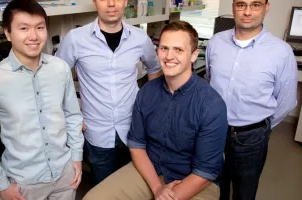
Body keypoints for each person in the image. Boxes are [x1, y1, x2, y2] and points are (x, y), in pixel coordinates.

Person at [82, 21, 228, 200]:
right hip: (151, 169)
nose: (169, 56)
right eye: (164, 48)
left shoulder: (211, 105)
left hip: (195, 180)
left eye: (178, 50)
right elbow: (137, 146)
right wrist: (158, 187)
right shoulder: (147, 92)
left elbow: (205, 172)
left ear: (193, 55)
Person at [0, 0, 84, 199]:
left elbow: (72, 115)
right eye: (23, 28)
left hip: (65, 176)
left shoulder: (60, 68)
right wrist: (1, 184)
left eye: (40, 27)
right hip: (24, 184)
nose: (33, 36)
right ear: (8, 33)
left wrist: (77, 158)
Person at [56, 0, 161, 186]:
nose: (111, 4)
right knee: (104, 189)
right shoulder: (76, 39)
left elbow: (154, 68)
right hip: (97, 132)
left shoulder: (139, 38)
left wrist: (151, 107)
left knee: (134, 188)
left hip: (134, 130)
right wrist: (71, 113)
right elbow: (56, 78)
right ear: (95, 2)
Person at [205, 0, 298, 199]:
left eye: (255, 5)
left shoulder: (281, 51)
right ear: (233, 7)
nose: (247, 11)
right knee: (212, 185)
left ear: (266, 7)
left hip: (252, 136)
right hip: (214, 130)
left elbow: (286, 101)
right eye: (241, 5)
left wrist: (262, 127)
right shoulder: (216, 42)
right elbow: (210, 80)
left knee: (244, 191)